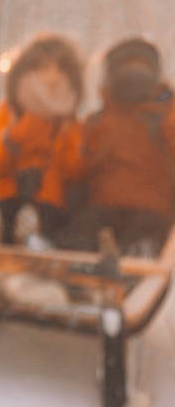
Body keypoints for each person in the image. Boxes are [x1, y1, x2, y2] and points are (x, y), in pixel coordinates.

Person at [74, 38, 175, 255]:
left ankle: (140, 252)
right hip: (103, 208)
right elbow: (79, 165)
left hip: (151, 210)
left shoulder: (163, 115)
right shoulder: (99, 121)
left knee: (143, 231)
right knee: (83, 231)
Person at [0, 34, 85, 245]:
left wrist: (65, 139)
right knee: (7, 210)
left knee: (48, 211)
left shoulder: (68, 120)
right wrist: (19, 132)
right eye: (42, 68)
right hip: (10, 193)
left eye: (59, 69)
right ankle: (11, 233)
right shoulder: (10, 111)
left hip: (49, 198)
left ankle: (35, 238)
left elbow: (72, 170)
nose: (51, 76)